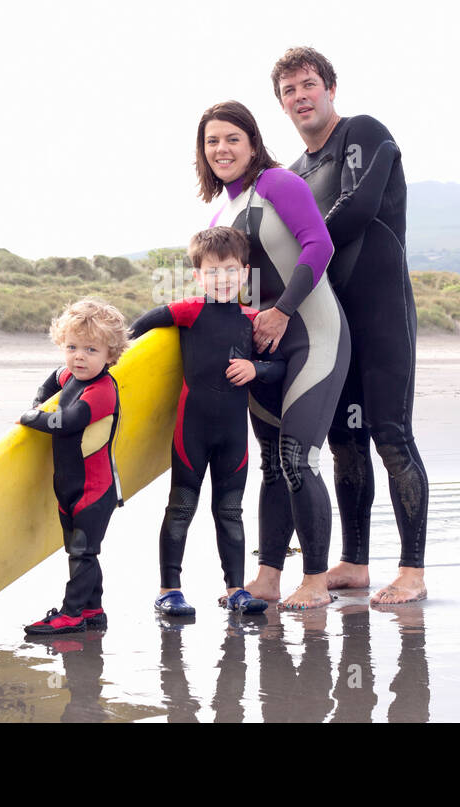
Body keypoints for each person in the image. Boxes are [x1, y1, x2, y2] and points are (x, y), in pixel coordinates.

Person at [270, 46, 430, 604]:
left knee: (392, 437)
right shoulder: (293, 174)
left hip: (383, 315)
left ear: (329, 88)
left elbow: (357, 209)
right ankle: (355, 561)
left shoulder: (362, 134)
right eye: (289, 91)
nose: (301, 96)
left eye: (309, 84)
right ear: (283, 104)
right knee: (345, 443)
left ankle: (412, 570)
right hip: (334, 326)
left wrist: (302, 259)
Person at [197, 100, 351, 611]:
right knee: (269, 464)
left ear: (252, 142)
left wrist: (283, 310)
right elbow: (235, 290)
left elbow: (318, 245)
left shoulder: (279, 184)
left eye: (232, 138)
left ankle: (314, 580)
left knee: (297, 458)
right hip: (264, 345)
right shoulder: (224, 210)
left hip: (312, 333)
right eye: (212, 140)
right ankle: (267, 577)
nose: (222, 149)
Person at [128, 226, 283, 617]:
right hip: (191, 433)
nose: (223, 279)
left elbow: (280, 366)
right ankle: (170, 590)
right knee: (180, 508)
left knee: (230, 512)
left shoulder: (253, 320)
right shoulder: (188, 311)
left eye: (230, 271)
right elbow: (137, 328)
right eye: (212, 272)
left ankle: (236, 589)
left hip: (233, 436)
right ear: (198, 276)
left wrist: (255, 369)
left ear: (245, 273)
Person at [17, 299, 128, 635]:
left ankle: (71, 614)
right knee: (82, 552)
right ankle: (93, 610)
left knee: (82, 553)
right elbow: (53, 379)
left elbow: (68, 421)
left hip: (94, 492)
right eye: (72, 347)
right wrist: (41, 399)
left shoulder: (102, 390)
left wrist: (32, 416)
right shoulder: (72, 376)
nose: (79, 356)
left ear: (110, 355)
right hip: (69, 487)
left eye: (91, 349)